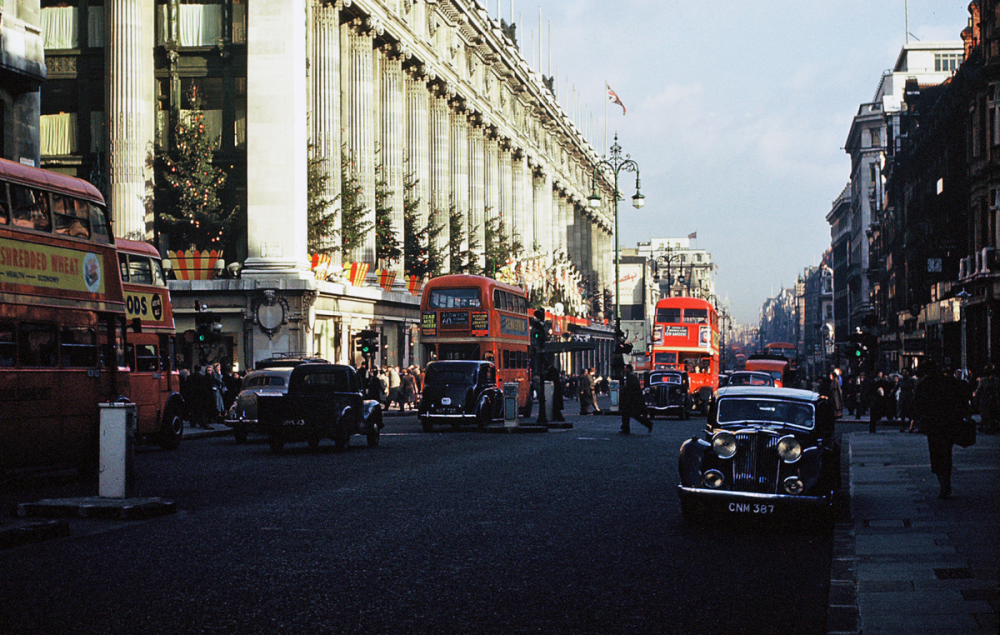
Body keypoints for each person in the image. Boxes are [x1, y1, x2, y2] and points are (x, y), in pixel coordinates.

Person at [912, 359, 967, 499]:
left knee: (936, 455)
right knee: (947, 453)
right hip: (949, 422)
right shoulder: (949, 382)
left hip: (933, 424)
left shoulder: (924, 384)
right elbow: (961, 398)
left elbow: (917, 405)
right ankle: (946, 481)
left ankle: (943, 484)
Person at [619, 364, 653, 434]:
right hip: (632, 399)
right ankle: (625, 427)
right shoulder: (630, 377)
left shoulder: (631, 377)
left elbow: (632, 389)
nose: (624, 370)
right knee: (628, 414)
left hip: (633, 400)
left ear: (629, 369)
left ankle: (648, 424)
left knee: (633, 414)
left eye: (625, 368)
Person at [974, 364, 1000, 434]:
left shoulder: (996, 380)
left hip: (993, 401)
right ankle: (986, 426)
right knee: (985, 415)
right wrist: (976, 401)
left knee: (993, 415)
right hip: (985, 401)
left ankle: (991, 427)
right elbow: (979, 391)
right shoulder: (983, 380)